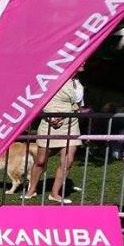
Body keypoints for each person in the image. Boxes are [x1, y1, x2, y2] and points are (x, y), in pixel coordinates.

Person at [23, 70, 84, 203]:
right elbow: (42, 99)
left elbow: (78, 105)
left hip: (71, 124)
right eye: (81, 62)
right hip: (50, 122)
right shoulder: (54, 77)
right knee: (40, 160)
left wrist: (80, 111)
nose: (83, 63)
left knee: (68, 161)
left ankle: (55, 193)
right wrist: (50, 116)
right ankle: (32, 189)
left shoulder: (77, 83)